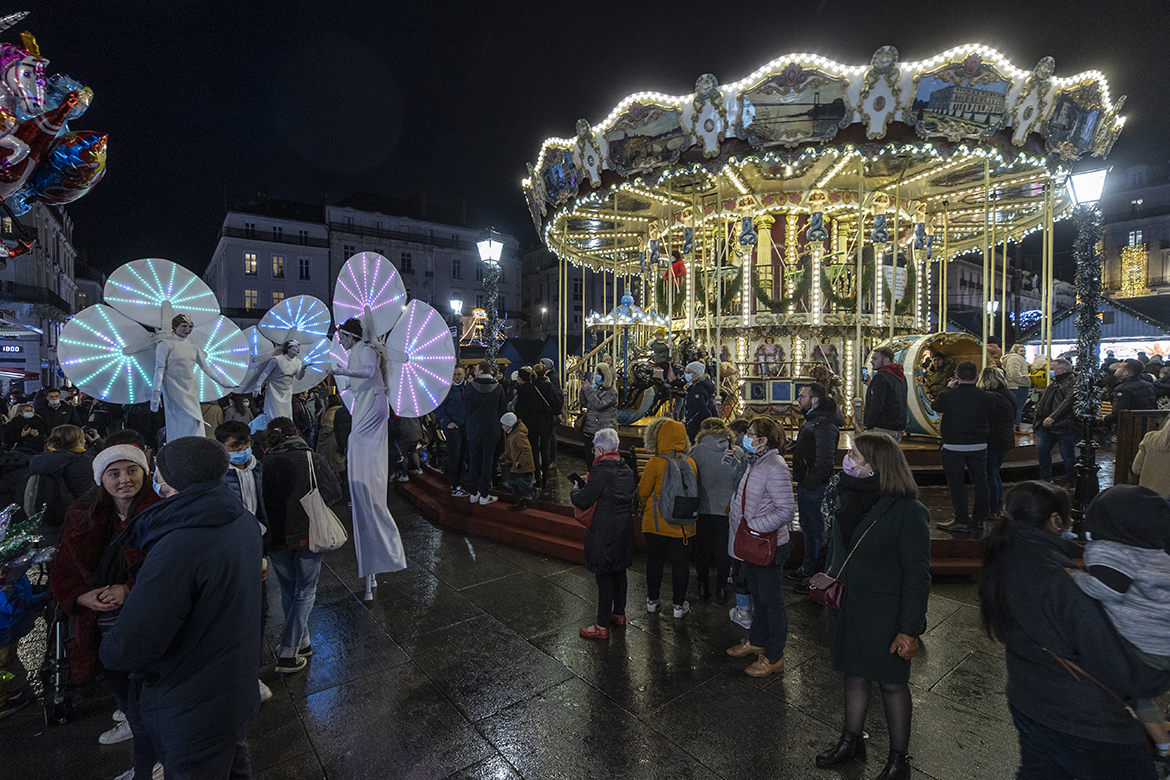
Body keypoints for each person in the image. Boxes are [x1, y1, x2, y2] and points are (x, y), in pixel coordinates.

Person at [978, 481, 1170, 779]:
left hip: (1028, 699)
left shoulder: (1007, 552)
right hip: (1083, 719)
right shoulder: (1059, 579)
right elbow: (1107, 655)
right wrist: (1153, 678)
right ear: (1056, 521)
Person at [100, 436, 262, 780]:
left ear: (174, 477)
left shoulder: (182, 543)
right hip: (232, 687)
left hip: (193, 704)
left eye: (159, 469)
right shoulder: (240, 518)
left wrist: (109, 649)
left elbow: (134, 642)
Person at [814, 433, 930, 780]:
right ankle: (851, 741)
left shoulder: (909, 511)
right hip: (847, 606)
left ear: (876, 467)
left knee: (892, 685)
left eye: (855, 455)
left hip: (885, 613)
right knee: (854, 674)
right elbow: (838, 549)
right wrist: (830, 575)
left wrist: (910, 629)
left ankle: (899, 761)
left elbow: (917, 575)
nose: (847, 459)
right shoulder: (845, 495)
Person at [49, 444, 162, 779]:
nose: (124, 480)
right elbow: (64, 568)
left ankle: (151, 764)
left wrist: (129, 590)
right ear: (101, 479)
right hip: (99, 625)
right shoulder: (83, 515)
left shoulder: (161, 511)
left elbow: (172, 570)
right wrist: (80, 597)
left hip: (146, 623)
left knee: (146, 696)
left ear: (145, 473)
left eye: (132, 471)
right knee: (119, 686)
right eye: (114, 473)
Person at [1071, 485, 1170, 763]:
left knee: (1133, 689)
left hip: (1147, 646)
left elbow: (1108, 590)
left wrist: (1076, 577)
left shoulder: (1112, 551)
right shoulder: (1158, 551)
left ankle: (1164, 747)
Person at [329, 318, 407, 600]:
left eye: (341, 336)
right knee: (355, 445)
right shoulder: (355, 350)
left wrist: (342, 371)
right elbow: (359, 378)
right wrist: (347, 385)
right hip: (365, 404)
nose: (339, 341)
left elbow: (369, 371)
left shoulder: (365, 349)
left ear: (350, 336)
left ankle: (362, 478)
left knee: (356, 441)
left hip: (374, 405)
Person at [262, 416, 342, 673]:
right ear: (294, 432)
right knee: (306, 591)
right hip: (307, 533)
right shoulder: (311, 458)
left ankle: (303, 641)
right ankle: (287, 651)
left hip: (275, 538)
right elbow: (334, 492)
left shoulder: (262, 463)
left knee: (289, 591)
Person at [725, 415, 795, 678]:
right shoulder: (756, 462)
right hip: (750, 541)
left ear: (764, 440)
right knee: (758, 596)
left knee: (771, 601)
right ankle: (757, 639)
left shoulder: (774, 466)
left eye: (751, 434)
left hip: (767, 543)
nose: (747, 437)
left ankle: (775, 655)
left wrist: (755, 525)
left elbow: (786, 511)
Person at [571, 427, 636, 639]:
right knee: (620, 572)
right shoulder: (626, 468)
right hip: (624, 528)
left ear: (599, 450)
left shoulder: (601, 470)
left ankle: (601, 625)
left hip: (604, 529)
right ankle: (619, 614)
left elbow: (583, 500)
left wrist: (575, 489)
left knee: (604, 576)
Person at [638, 418, 697, 619]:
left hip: (656, 524)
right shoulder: (690, 463)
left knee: (654, 563)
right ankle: (679, 606)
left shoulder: (655, 463)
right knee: (680, 565)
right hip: (682, 526)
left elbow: (643, 492)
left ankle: (652, 601)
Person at [933, 361, 995, 534]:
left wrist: (949, 388)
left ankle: (961, 520)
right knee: (981, 483)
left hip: (954, 445)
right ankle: (979, 519)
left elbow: (935, 406)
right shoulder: (987, 397)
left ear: (956, 376)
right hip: (978, 444)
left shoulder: (948, 395)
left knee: (957, 485)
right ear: (976, 376)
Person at [789, 382, 842, 584]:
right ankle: (808, 567)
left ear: (815, 400)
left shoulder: (825, 424)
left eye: (802, 396)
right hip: (807, 483)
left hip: (814, 486)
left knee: (816, 531)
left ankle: (816, 575)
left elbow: (825, 460)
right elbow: (813, 449)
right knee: (808, 528)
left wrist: (810, 483)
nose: (798, 399)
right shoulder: (814, 419)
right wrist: (797, 447)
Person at [151, 314, 234, 441]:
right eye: (184, 326)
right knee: (180, 421)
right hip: (174, 388)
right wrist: (156, 392)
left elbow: (205, 366)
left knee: (195, 421)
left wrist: (222, 382)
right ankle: (180, 446)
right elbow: (159, 368)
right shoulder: (165, 344)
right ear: (175, 326)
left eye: (190, 327)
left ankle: (195, 445)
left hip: (190, 388)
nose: (187, 329)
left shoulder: (193, 346)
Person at [690, 418, 743, 603]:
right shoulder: (737, 452)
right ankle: (721, 588)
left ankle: (702, 586)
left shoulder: (697, 451)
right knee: (723, 551)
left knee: (702, 550)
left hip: (703, 508)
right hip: (727, 509)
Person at [976, 367, 1018, 517]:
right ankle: (998, 506)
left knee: (990, 474)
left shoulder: (991, 397)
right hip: (1005, 437)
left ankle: (993, 508)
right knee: (995, 473)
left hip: (993, 439)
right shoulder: (1008, 394)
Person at [1033, 358, 1077, 488]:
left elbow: (1068, 402)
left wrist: (1053, 417)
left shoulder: (1072, 383)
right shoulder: (1054, 384)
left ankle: (1071, 480)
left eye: (1052, 368)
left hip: (1064, 426)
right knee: (1042, 451)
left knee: (1067, 455)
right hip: (1047, 426)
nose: (1049, 371)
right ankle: (1045, 478)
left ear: (1061, 370)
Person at [515, 367, 553, 493]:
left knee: (535, 450)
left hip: (531, 424)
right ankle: (546, 477)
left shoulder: (526, 388)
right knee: (545, 449)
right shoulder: (547, 386)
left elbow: (520, 409)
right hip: (546, 423)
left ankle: (538, 477)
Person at [436, 365, 470, 497]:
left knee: (462, 455)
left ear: (464, 374)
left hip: (465, 426)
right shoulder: (446, 389)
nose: (457, 376)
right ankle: (455, 485)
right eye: (455, 374)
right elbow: (437, 406)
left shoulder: (468, 387)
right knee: (454, 456)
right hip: (453, 427)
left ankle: (458, 482)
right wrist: (447, 421)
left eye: (459, 374)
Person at [864, 347, 907, 441]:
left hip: (883, 427)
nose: (871, 361)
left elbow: (877, 404)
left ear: (886, 360)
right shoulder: (900, 375)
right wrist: (872, 385)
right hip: (898, 426)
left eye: (875, 358)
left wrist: (869, 424)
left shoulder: (881, 376)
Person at [499, 412, 537, 511]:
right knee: (513, 483)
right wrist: (504, 456)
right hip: (518, 463)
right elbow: (510, 448)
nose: (502, 427)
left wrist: (519, 463)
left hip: (522, 464)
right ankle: (520, 502)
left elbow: (526, 450)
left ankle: (531, 489)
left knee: (512, 480)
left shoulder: (518, 435)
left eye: (503, 424)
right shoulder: (512, 433)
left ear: (508, 425)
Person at [1103, 359, 1158, 427]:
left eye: (1120, 367)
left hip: (1129, 428)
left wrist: (1105, 418)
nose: (1116, 368)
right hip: (1147, 427)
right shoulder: (1148, 385)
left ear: (1126, 373)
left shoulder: (1122, 389)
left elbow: (1118, 414)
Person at [580, 362, 618, 458]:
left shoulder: (612, 392)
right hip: (590, 431)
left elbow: (599, 405)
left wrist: (588, 390)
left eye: (599, 374)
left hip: (602, 433)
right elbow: (585, 403)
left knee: (599, 460)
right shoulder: (596, 389)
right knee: (589, 460)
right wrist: (583, 390)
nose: (597, 376)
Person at [682, 361, 718, 443]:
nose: (686, 374)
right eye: (686, 372)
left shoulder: (697, 388)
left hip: (695, 423)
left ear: (697, 373)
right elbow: (711, 406)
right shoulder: (704, 385)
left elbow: (702, 408)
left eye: (689, 372)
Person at [315, 393, 348, 481]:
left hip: (330, 442)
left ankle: (336, 482)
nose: (325, 402)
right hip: (340, 441)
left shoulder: (330, 413)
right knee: (339, 461)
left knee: (332, 464)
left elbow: (326, 429)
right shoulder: (342, 410)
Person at [1002, 344, 1031, 429]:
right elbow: (1014, 373)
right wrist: (1025, 381)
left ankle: (1014, 426)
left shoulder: (1016, 359)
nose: (1023, 353)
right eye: (1021, 351)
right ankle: (1016, 426)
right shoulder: (1015, 358)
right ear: (1015, 351)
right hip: (1018, 386)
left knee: (1015, 407)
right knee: (1018, 408)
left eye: (1024, 351)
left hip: (1015, 386)